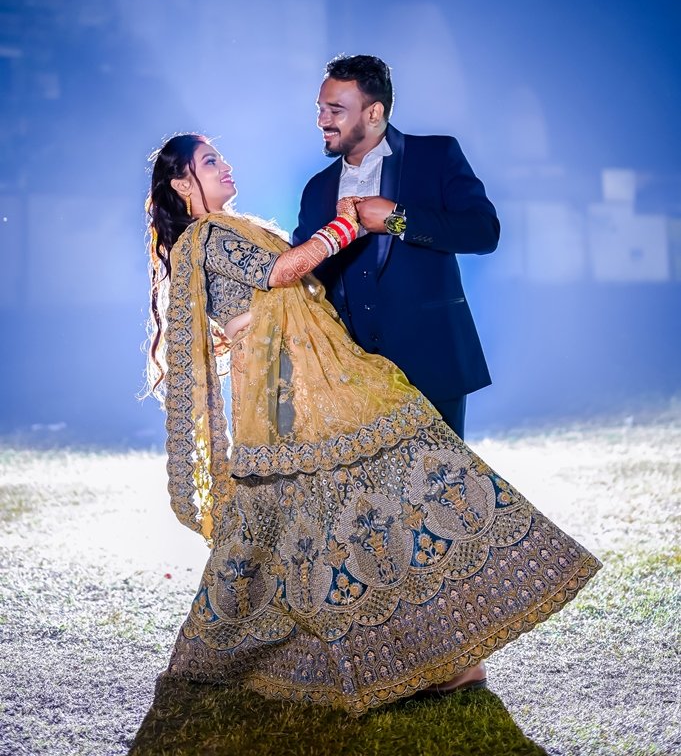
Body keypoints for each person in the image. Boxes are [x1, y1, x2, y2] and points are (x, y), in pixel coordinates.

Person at [146, 133, 600, 716]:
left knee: (363, 502)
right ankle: (239, 653)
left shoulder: (235, 228)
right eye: (210, 162)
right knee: (316, 517)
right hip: (291, 390)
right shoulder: (209, 234)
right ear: (182, 184)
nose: (225, 165)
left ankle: (444, 657)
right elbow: (283, 272)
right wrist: (349, 226)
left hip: (309, 376)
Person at [293, 54, 499, 441]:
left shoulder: (436, 156)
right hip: (351, 377)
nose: (322, 120)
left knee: (441, 478)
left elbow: (483, 233)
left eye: (335, 110)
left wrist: (396, 220)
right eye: (320, 108)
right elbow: (306, 279)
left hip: (432, 364)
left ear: (374, 113)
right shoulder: (316, 188)